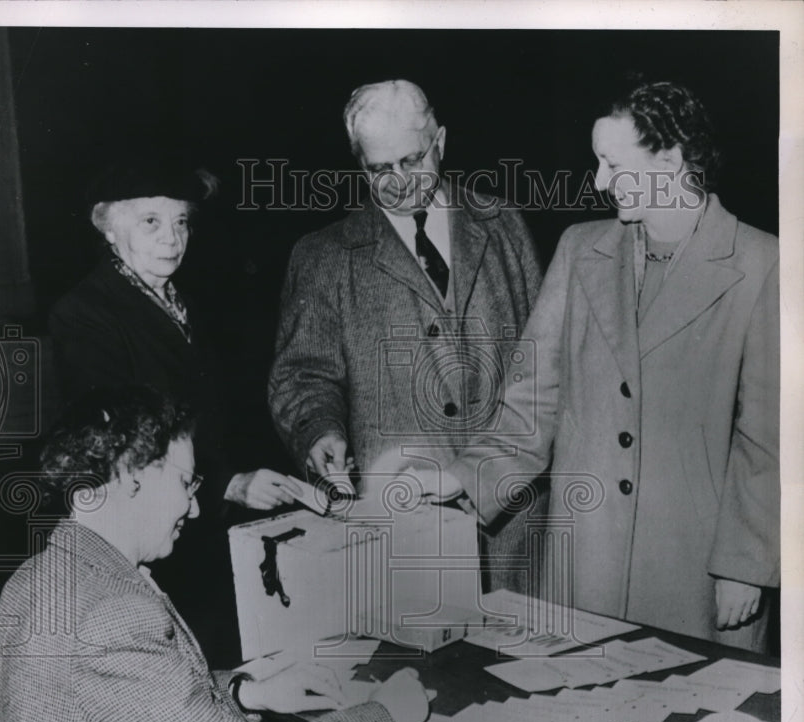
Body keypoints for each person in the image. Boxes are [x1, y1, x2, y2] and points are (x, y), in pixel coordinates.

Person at [419, 81, 779, 650]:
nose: (600, 181)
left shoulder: (764, 263)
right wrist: (461, 476)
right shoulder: (578, 249)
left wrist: (746, 564)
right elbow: (531, 405)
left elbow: (770, 436)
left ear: (670, 161)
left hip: (695, 571)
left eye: (613, 164)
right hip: (585, 563)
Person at [0, 386, 429, 722]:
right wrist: (385, 716)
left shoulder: (39, 577)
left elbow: (144, 703)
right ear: (126, 477)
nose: (196, 508)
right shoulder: (109, 612)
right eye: (185, 483)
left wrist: (245, 692)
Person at [268, 79, 544, 593]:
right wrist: (318, 431)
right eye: (379, 170)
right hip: (405, 529)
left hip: (514, 527)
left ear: (440, 142)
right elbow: (302, 376)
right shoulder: (323, 256)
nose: (397, 182)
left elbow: (547, 369)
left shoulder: (503, 224)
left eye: (412, 161)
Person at [49, 157, 300, 666]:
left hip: (201, 530)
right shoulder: (85, 313)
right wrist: (228, 481)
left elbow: (215, 419)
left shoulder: (182, 304)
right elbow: (123, 447)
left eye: (181, 221)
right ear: (109, 229)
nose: (172, 237)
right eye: (151, 221)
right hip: (146, 541)